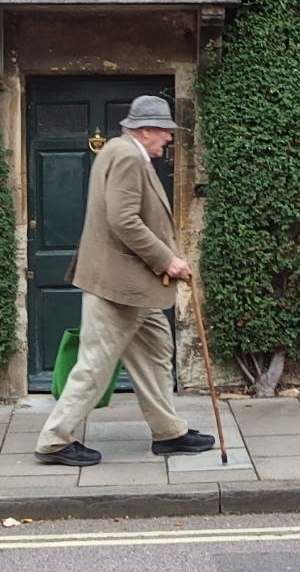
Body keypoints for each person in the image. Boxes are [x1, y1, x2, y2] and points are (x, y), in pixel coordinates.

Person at [34, 95, 216, 466]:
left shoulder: (118, 152)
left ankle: (169, 432)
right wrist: (169, 260)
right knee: (96, 363)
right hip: (119, 286)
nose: (168, 139)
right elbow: (124, 220)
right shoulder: (128, 157)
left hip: (135, 287)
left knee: (154, 353)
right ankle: (54, 440)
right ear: (146, 129)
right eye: (165, 132)